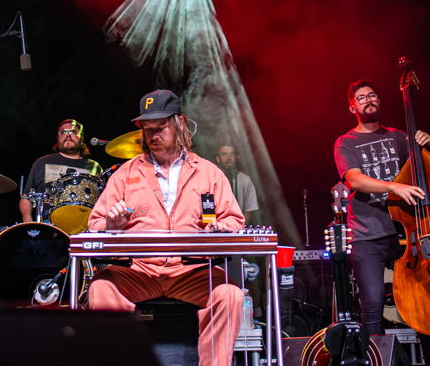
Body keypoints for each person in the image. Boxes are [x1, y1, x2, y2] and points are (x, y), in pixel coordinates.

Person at [87, 89, 245, 366]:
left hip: (192, 271)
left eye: (160, 128)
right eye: (148, 130)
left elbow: (235, 220)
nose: (154, 136)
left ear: (179, 123)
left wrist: (221, 227)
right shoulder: (125, 173)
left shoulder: (208, 172)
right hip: (139, 271)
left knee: (230, 294)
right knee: (101, 287)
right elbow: (95, 225)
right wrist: (112, 226)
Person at [333, 79, 430, 338]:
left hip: (405, 231)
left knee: (424, 298)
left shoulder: (398, 136)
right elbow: (354, 180)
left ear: (379, 101)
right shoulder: (345, 142)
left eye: (372, 95)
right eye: (361, 98)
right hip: (367, 234)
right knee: (372, 305)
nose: (368, 100)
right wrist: (393, 187)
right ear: (352, 108)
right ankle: (377, 356)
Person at [19, 119, 103, 223]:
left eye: (73, 132)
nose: (68, 135)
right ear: (57, 138)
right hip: (48, 226)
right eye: (63, 132)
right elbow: (26, 197)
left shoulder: (94, 167)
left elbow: (104, 200)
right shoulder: (41, 163)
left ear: (81, 138)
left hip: (84, 225)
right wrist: (27, 220)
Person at [214, 145, 260, 226]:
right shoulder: (211, 178)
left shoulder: (245, 180)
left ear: (237, 157)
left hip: (237, 228)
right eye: (224, 154)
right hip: (215, 227)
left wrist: (238, 229)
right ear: (218, 159)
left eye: (232, 154)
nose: (229, 158)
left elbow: (249, 211)